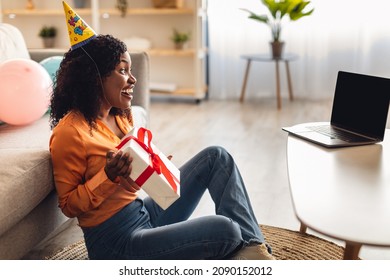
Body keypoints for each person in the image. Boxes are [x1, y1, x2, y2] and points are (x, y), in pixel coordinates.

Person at [49, 2, 275, 260]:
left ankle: (256, 251)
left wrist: (153, 169)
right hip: (117, 243)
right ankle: (246, 254)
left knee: (217, 157)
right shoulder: (69, 133)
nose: (133, 79)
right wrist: (107, 176)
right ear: (94, 78)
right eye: (123, 71)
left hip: (143, 214)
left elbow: (129, 184)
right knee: (227, 231)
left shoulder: (119, 116)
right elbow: (68, 206)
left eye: (131, 70)